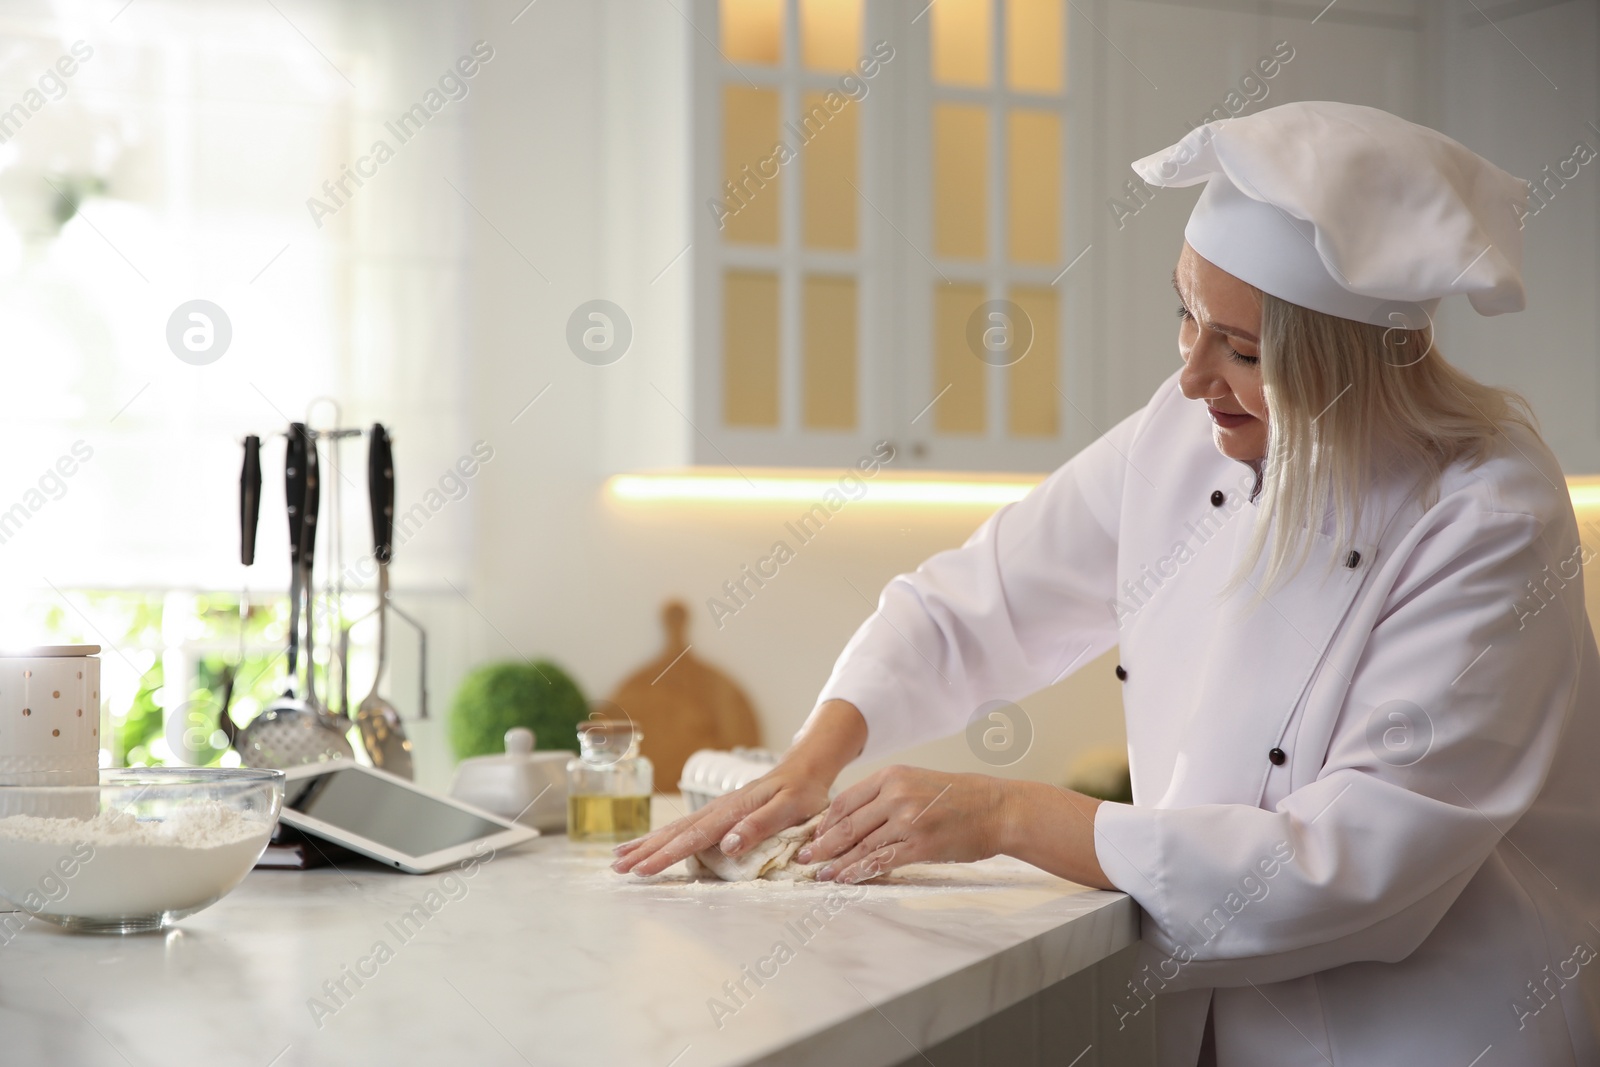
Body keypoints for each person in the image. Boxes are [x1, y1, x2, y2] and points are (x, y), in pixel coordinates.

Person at [614, 101, 1600, 1066]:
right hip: (1212, 1016)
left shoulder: (1487, 518)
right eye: (1186, 317)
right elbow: (969, 604)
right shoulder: (1184, 438)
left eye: (1243, 350)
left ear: (1349, 363)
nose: (1190, 377)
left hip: (1433, 1030)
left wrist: (1007, 814)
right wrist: (812, 757)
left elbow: (1352, 867)